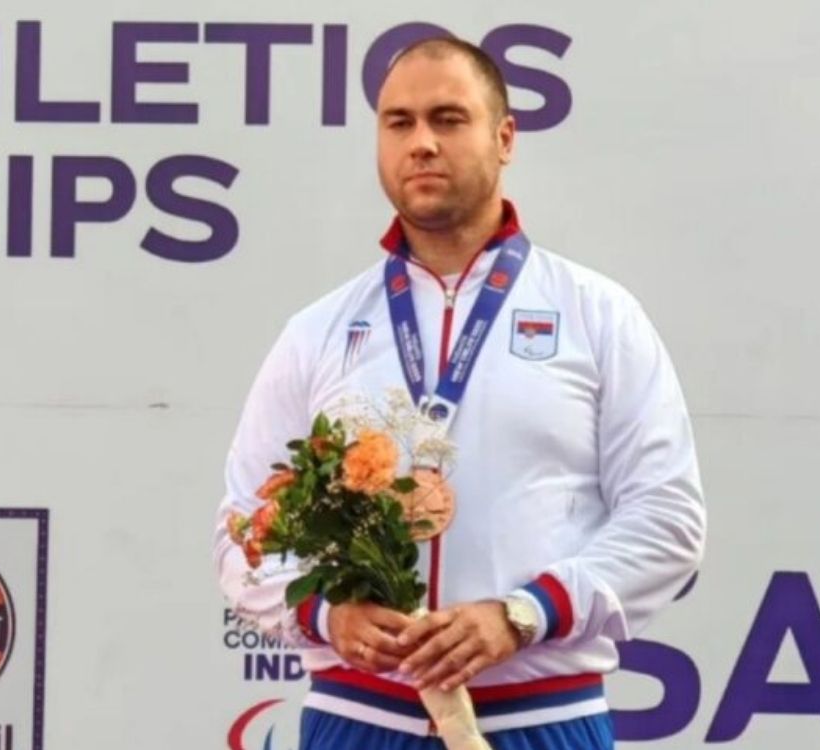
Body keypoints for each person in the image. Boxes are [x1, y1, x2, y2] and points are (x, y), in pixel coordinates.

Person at [214, 36, 706, 750]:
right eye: (399, 122)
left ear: (504, 139)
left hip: (542, 719)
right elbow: (243, 529)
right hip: (359, 722)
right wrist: (328, 616)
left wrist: (524, 614)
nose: (421, 143)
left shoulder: (597, 315)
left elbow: (667, 519)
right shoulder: (319, 330)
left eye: (448, 119)